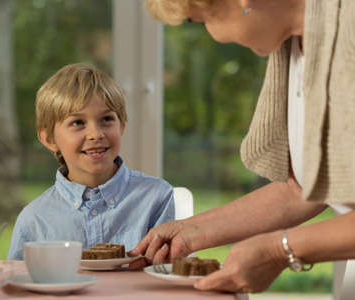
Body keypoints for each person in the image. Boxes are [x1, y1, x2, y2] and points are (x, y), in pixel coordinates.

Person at [129, 0, 355, 296]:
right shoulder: (297, 46)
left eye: (201, 20)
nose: (211, 33)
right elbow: (302, 190)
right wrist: (193, 230)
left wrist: (280, 250)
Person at [8, 63, 175, 260]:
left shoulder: (156, 198)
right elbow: (19, 284)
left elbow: (168, 277)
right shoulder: (34, 220)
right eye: (78, 123)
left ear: (121, 126)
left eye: (106, 119)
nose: (96, 134)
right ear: (49, 139)